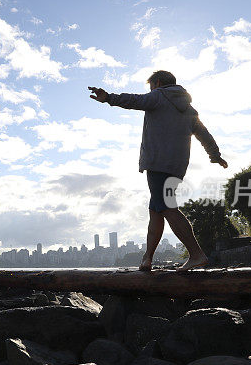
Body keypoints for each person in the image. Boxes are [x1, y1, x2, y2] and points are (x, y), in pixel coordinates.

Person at [88, 70, 228, 271]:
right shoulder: (189, 109)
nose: (150, 90)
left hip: (157, 162)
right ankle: (147, 259)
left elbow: (135, 101)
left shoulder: (159, 95)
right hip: (177, 166)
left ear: (158, 83)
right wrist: (215, 156)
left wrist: (108, 98)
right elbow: (204, 134)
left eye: (151, 86)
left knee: (166, 206)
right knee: (156, 209)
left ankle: (197, 254)